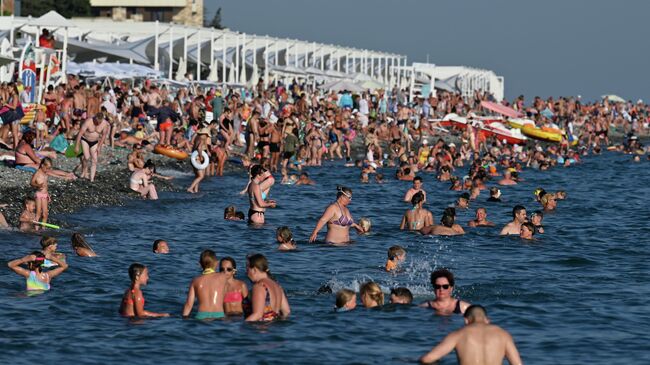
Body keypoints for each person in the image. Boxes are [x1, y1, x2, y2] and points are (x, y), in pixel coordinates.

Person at [419, 305, 522, 365]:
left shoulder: (459, 334)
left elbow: (427, 359)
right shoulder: (503, 335)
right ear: (487, 320)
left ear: (466, 320)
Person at [182, 250, 228, 320]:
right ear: (217, 263)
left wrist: (184, 318)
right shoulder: (223, 277)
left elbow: (188, 304)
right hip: (218, 315)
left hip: (201, 316)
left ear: (199, 264)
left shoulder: (195, 281)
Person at [245, 254, 290, 321]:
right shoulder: (277, 285)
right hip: (274, 329)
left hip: (260, 329)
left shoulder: (259, 286)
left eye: (247, 269)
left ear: (254, 270)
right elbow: (286, 311)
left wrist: (241, 327)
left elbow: (257, 314)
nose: (246, 272)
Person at [31, 157, 75, 227]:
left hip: (45, 194)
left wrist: (48, 194)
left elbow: (48, 182)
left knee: (45, 214)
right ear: (42, 165)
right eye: (47, 168)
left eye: (49, 168)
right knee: (38, 213)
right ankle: (36, 228)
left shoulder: (45, 173)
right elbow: (32, 182)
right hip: (39, 194)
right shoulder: (37, 173)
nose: (48, 170)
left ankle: (43, 229)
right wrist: (38, 185)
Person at [75, 113, 110, 182]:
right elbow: (80, 133)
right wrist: (77, 146)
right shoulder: (88, 121)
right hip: (85, 140)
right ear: (95, 118)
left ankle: (91, 179)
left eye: (99, 122)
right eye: (96, 122)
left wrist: (99, 146)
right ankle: (84, 170)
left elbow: (103, 135)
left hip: (95, 142)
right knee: (87, 157)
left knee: (94, 160)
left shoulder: (105, 124)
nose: (98, 123)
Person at [187, 128, 210, 194]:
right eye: (207, 135)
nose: (207, 137)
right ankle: (190, 188)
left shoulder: (197, 138)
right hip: (197, 159)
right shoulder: (202, 139)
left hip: (193, 158)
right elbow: (199, 148)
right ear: (205, 134)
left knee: (197, 176)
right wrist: (200, 156)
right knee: (201, 176)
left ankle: (195, 190)